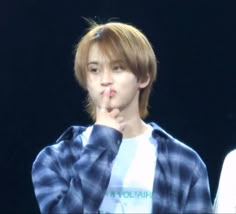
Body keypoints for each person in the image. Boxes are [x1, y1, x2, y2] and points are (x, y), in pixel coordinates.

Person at [32, 20, 213, 213]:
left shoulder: (185, 162)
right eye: (94, 70)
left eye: (117, 68)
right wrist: (102, 141)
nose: (105, 80)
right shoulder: (55, 159)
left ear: (143, 77)